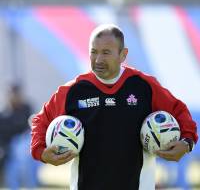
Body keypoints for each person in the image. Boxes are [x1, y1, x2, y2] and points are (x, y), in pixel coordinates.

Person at [31, 24, 198, 190]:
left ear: (123, 55)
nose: (98, 60)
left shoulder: (144, 86)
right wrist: (41, 152)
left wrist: (187, 142)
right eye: (93, 52)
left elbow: (179, 111)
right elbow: (41, 121)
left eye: (106, 52)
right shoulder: (74, 91)